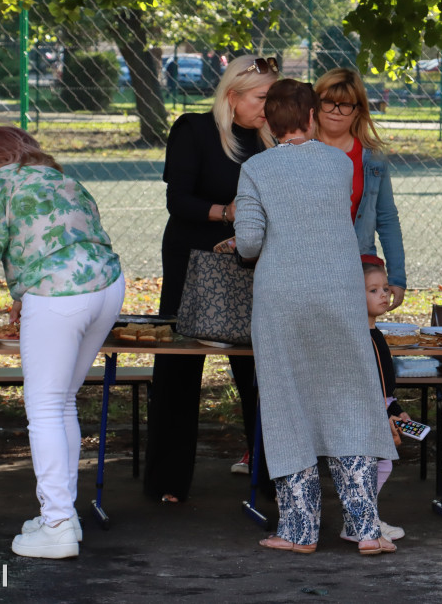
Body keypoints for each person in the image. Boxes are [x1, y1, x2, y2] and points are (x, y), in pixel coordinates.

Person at [0, 126, 124, 559]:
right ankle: (63, 515)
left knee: (44, 407)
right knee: (64, 400)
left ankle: (56, 523)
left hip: (59, 295)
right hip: (108, 284)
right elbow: (51, 238)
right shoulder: (62, 178)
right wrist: (22, 294)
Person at [235, 78, 398, 556]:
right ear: (310, 118)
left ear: (268, 121)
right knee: (351, 399)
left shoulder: (256, 168)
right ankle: (366, 529)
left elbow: (249, 242)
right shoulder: (336, 163)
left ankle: (300, 531)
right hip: (339, 295)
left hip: (281, 300)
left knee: (288, 407)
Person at [144, 55, 279, 503]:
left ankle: (271, 476)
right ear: (232, 95)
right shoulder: (194, 131)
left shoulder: (273, 140)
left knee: (258, 369)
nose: (269, 106)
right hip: (193, 260)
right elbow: (178, 200)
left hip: (252, 262)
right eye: (262, 98)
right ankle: (167, 482)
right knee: (180, 365)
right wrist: (227, 213)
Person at [314, 68, 406, 311]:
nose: (335, 111)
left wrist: (396, 278)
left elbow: (387, 219)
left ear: (358, 110)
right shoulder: (297, 151)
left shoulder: (372, 158)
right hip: (309, 267)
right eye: (328, 102)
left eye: (345, 104)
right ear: (315, 104)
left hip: (357, 266)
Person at [339, 254, 409, 544]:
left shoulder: (375, 333)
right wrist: (383, 414)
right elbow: (364, 387)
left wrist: (397, 410)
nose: (384, 295)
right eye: (373, 290)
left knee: (380, 465)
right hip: (364, 414)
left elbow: (384, 386)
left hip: (381, 409)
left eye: (384, 288)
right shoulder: (358, 338)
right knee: (374, 466)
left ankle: (364, 519)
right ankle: (359, 522)